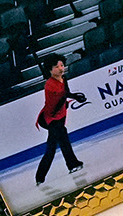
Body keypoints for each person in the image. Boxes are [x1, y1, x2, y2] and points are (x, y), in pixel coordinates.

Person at [34, 54, 87, 184]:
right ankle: (72, 164)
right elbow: (58, 101)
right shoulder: (49, 84)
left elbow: (66, 92)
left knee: (51, 147)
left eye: (62, 65)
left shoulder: (64, 79)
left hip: (61, 115)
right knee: (62, 140)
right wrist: (68, 100)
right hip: (52, 118)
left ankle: (40, 177)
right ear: (50, 70)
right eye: (57, 67)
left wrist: (75, 97)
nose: (60, 68)